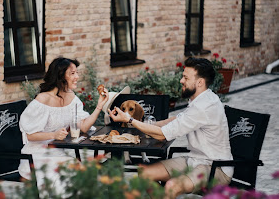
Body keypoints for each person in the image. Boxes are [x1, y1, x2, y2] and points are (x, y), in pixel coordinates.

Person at [108, 57, 233, 198]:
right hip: (194, 161)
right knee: (145, 174)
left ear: (200, 82)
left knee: (172, 186)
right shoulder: (200, 99)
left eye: (185, 77)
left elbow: (162, 135)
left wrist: (129, 119)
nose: (181, 81)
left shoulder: (204, 106)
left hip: (215, 168)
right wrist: (147, 125)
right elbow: (176, 120)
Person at [18, 56, 109, 195]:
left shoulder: (71, 97)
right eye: (72, 73)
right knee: (66, 181)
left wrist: (99, 106)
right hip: (37, 156)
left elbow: (83, 127)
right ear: (60, 76)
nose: (77, 77)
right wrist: (53, 135)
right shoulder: (43, 99)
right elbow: (29, 135)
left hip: (58, 152)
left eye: (77, 72)